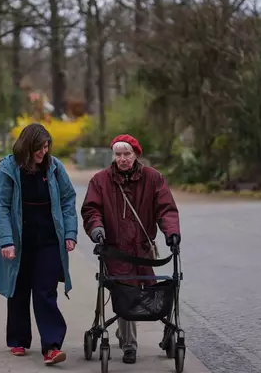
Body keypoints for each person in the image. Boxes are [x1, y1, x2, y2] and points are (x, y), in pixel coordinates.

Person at [80, 134, 181, 364]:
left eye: (127, 154)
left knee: (152, 294)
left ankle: (143, 332)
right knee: (126, 293)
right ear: (113, 156)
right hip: (116, 252)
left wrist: (171, 232)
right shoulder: (100, 181)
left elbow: (166, 209)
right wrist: (97, 230)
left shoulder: (153, 179)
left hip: (144, 252)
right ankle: (129, 345)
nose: (123, 159)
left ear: (136, 155)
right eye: (118, 155)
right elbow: (91, 210)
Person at [0, 123, 78, 366]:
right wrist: (6, 240)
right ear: (26, 147)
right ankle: (18, 338)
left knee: (45, 291)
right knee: (18, 290)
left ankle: (51, 346)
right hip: (19, 240)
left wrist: (70, 232)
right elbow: (1, 208)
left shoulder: (54, 168)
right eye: (39, 147)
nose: (43, 152)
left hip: (49, 240)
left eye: (47, 146)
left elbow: (68, 199)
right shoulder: (7, 169)